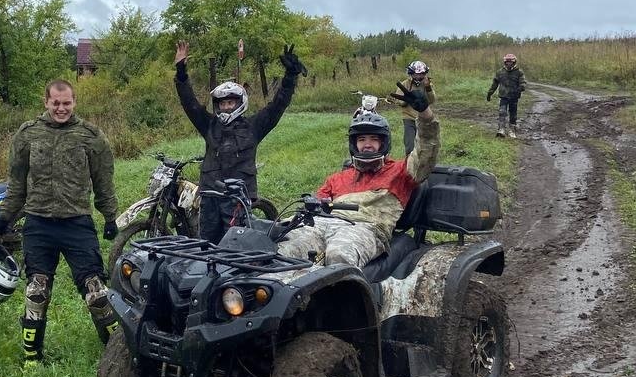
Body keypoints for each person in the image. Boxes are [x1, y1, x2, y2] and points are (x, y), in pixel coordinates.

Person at [0, 79, 118, 363]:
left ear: (74, 102)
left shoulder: (90, 136)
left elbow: (104, 180)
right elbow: (16, 182)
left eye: (67, 103)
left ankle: (117, 352)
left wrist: (110, 216)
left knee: (96, 293)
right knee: (37, 291)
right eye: (56, 103)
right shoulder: (28, 134)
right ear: (46, 102)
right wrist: (4, 218)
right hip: (38, 223)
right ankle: (32, 358)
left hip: (77, 223)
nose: (62, 108)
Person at [278, 84, 439, 270]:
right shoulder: (337, 178)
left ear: (383, 143)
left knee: (339, 255)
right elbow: (316, 203)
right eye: (362, 140)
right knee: (284, 249)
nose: (367, 145)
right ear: (354, 144)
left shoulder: (401, 172)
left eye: (373, 139)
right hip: (323, 224)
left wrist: (425, 114)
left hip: (366, 228)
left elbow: (426, 152)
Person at [174, 41, 306, 243]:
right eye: (222, 103)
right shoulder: (209, 124)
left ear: (240, 103)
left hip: (237, 199)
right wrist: (181, 71)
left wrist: (290, 77)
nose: (226, 107)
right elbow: (189, 102)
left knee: (235, 245)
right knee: (206, 243)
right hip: (210, 196)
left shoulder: (254, 127)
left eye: (230, 102)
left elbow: (277, 106)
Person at [399, 60, 436, 155]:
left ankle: (424, 163)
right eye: (416, 74)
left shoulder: (427, 84)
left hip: (423, 118)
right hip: (409, 118)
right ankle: (409, 164)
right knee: (410, 144)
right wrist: (406, 99)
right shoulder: (405, 84)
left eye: (422, 74)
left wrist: (428, 88)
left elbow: (431, 100)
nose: (419, 77)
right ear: (411, 73)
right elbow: (399, 101)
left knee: (425, 143)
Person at [486, 53, 527, 138]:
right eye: (507, 62)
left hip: (514, 97)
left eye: (510, 62)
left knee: (513, 114)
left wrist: (521, 88)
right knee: (502, 112)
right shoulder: (500, 72)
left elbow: (523, 83)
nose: (509, 64)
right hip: (503, 96)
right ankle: (501, 130)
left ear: (514, 62)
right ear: (505, 62)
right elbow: (495, 84)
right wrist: (490, 93)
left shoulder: (519, 72)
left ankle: (512, 130)